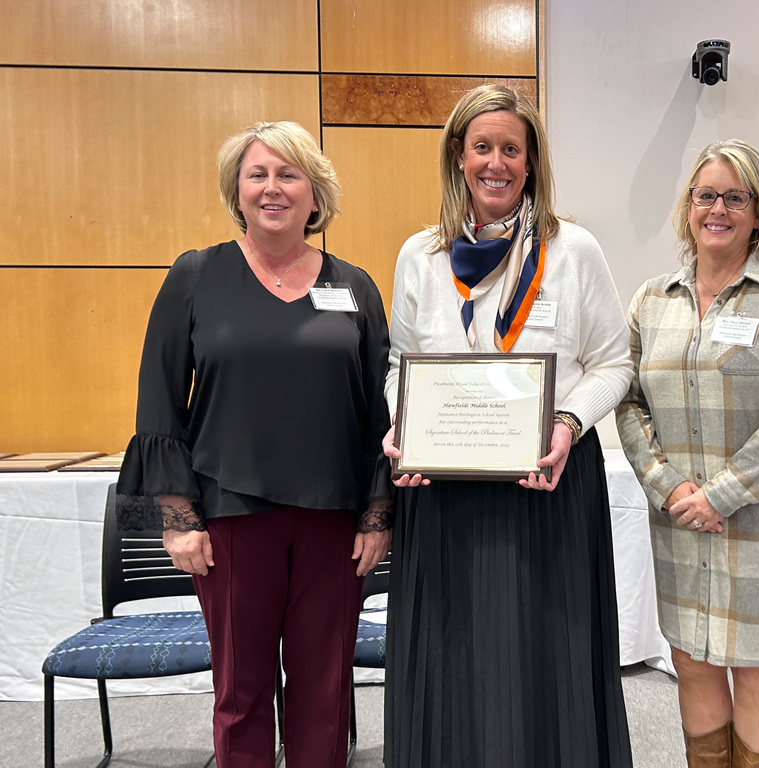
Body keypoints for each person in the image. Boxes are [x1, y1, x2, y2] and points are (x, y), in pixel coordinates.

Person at [115, 121, 394, 768]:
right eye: (258, 175)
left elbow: (382, 409)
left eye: (288, 174)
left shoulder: (354, 287)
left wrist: (379, 514)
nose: (273, 188)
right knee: (241, 693)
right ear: (236, 192)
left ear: (314, 192)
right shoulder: (195, 275)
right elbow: (159, 401)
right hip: (229, 519)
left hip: (334, 522)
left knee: (324, 692)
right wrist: (177, 519)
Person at [380, 84, 634, 768]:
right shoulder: (421, 256)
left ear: (531, 162)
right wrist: (399, 425)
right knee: (452, 656)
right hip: (444, 488)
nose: (497, 163)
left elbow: (615, 362)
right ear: (458, 156)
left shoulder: (573, 249)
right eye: (482, 147)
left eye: (511, 149)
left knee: (544, 652)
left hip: (546, 479)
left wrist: (567, 422)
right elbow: (400, 365)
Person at [615, 139, 759, 768]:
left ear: (758, 211)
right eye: (705, 195)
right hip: (679, 518)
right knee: (691, 663)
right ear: (688, 208)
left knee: (756, 669)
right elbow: (629, 403)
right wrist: (670, 488)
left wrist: (723, 493)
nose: (718, 208)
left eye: (734, 197)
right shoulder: (651, 301)